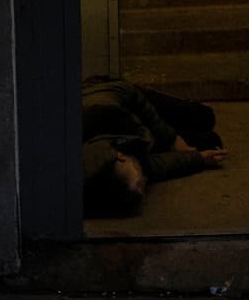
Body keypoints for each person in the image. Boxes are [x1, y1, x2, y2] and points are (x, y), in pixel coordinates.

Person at [81, 78, 227, 215]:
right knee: (210, 142)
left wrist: (171, 139)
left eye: (140, 183)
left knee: (204, 116)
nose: (145, 181)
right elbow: (155, 166)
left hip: (126, 98)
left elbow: (129, 92)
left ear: (121, 157)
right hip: (137, 135)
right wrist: (199, 159)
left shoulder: (101, 108)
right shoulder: (116, 176)